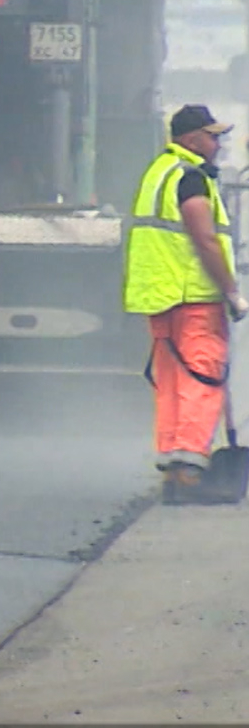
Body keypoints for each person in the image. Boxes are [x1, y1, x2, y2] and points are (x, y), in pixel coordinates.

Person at [123, 103, 249, 504]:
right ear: (192, 138)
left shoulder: (158, 171)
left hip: (160, 296)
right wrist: (231, 292)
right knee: (202, 377)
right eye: (213, 136)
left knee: (174, 383)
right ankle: (192, 471)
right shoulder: (191, 177)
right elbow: (204, 238)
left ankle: (175, 469)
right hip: (193, 295)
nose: (218, 144)